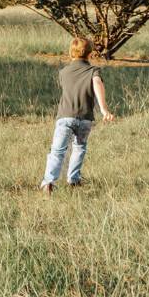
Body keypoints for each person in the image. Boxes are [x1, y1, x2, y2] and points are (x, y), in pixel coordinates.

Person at [40, 36, 116, 194]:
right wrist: (103, 109)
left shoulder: (63, 72)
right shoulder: (93, 70)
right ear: (90, 54)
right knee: (79, 147)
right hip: (85, 119)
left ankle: (49, 182)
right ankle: (73, 179)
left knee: (58, 151)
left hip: (65, 117)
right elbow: (97, 83)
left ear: (71, 54)